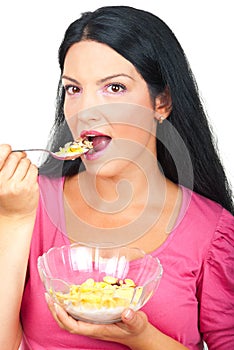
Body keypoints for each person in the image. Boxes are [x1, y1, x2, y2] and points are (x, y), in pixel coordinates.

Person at [0, 5, 233, 350]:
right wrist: (13, 218)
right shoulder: (25, 200)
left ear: (162, 102)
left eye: (115, 88)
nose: (86, 110)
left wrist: (144, 338)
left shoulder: (213, 232)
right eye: (74, 89)